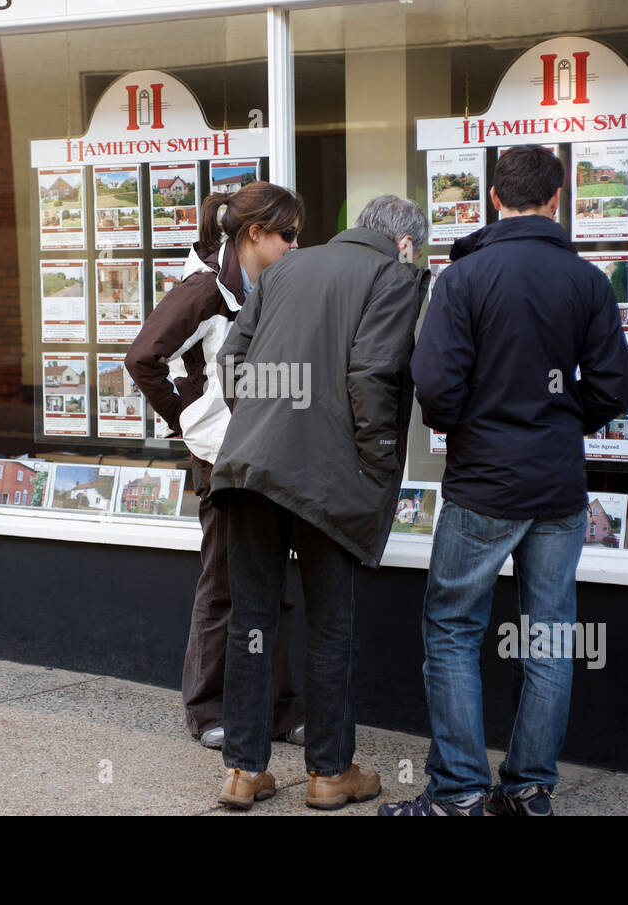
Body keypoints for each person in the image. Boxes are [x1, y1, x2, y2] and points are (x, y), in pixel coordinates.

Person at [378, 145, 628, 816]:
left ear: (494, 198)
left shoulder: (462, 279)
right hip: (556, 488)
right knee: (549, 632)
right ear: (557, 199)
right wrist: (558, 416)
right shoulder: (587, 280)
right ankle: (528, 788)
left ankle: (460, 791)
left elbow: (433, 385)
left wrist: (472, 422)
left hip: (483, 483)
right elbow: (613, 388)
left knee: (454, 629)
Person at [209, 195, 430, 810]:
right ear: (407, 242)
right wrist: (376, 464)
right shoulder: (396, 275)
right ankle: (330, 773)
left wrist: (262, 424)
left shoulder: (284, 269)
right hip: (329, 480)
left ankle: (243, 773)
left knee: (252, 618)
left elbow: (230, 365)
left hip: (252, 469)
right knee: (330, 624)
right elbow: (372, 373)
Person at [124, 180, 307, 751]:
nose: (296, 246)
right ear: (255, 233)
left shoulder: (266, 282)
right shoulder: (204, 289)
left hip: (266, 450)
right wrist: (188, 423)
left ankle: (277, 707)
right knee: (224, 585)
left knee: (272, 586)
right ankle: (206, 710)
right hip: (224, 458)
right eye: (289, 235)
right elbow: (142, 358)